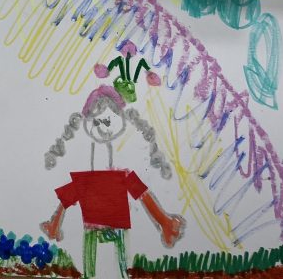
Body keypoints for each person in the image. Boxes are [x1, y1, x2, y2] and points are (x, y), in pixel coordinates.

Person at [40, 86, 184, 278]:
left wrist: (163, 221)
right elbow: (68, 197)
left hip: (116, 219)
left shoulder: (120, 174)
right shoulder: (89, 177)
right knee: (91, 265)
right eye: (96, 121)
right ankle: (56, 228)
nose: (102, 126)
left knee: (120, 265)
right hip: (93, 219)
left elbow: (142, 194)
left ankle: (163, 224)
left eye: (108, 120)